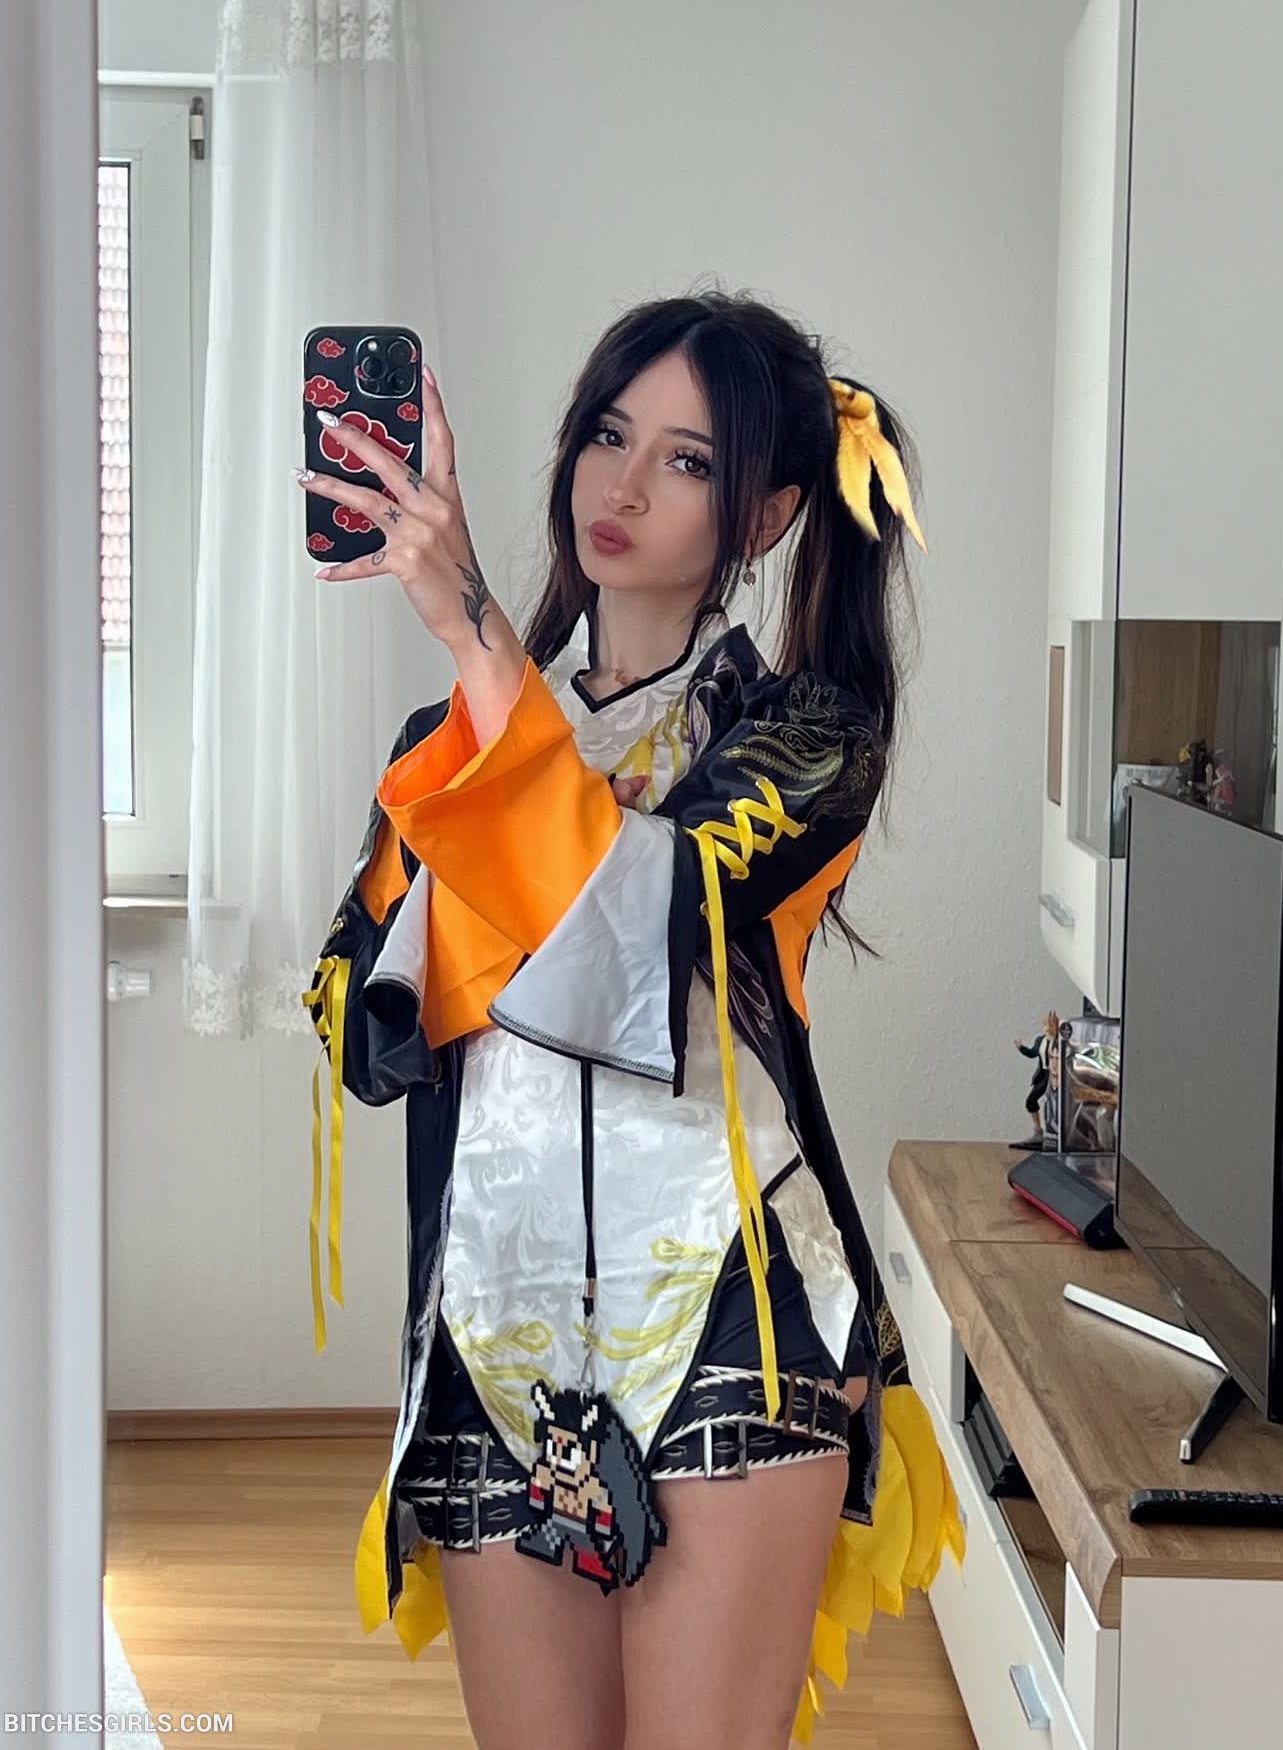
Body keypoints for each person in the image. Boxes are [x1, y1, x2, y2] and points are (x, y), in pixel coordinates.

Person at [298, 289, 962, 1749]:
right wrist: (477, 742)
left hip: (736, 1317)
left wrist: (476, 637)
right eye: (610, 435)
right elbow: (357, 1026)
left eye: (686, 460)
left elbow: (639, 924)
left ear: (766, 514)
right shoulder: (446, 745)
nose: (625, 483)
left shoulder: (806, 737)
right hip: (495, 1332)